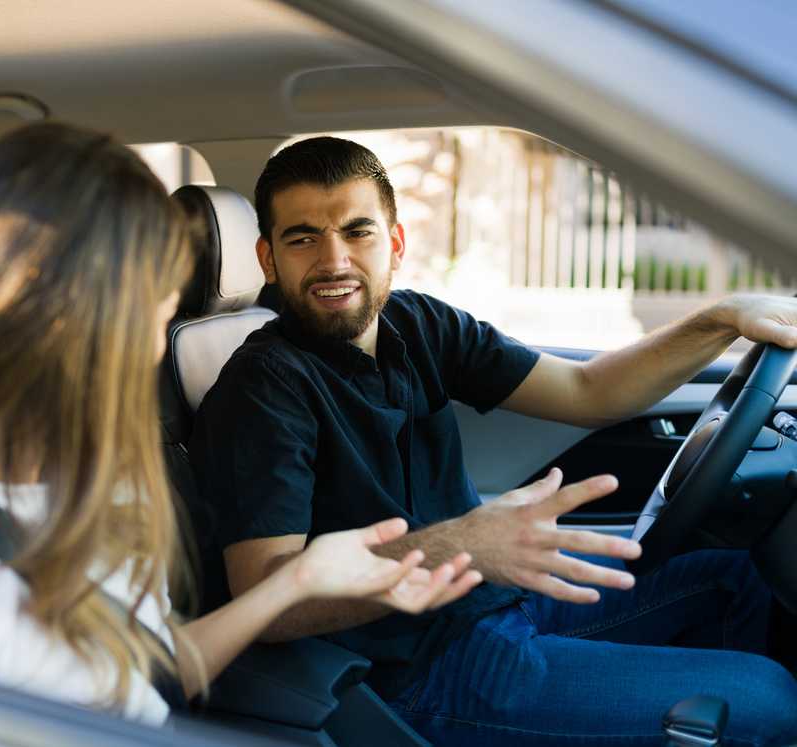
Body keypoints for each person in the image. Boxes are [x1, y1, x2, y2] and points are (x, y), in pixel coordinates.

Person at [0, 123, 482, 726]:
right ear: (46, 310)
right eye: (146, 314)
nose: (155, 346)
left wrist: (298, 583)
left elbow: (145, 673)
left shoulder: (92, 481)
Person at [190, 136, 797, 746]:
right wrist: (464, 545)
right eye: (303, 239)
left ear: (395, 244)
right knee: (769, 700)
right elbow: (266, 596)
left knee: (733, 573)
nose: (334, 260)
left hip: (495, 597)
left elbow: (589, 390)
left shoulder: (418, 323)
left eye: (357, 232)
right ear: (269, 259)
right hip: (417, 668)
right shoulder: (262, 387)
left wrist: (722, 319)